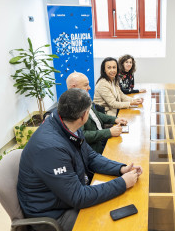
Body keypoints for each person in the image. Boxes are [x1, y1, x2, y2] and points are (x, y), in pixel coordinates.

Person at [17, 88, 143, 231]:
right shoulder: (51, 149)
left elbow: (90, 156)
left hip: (65, 197)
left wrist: (120, 169)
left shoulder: (67, 123)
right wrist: (122, 183)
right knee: (110, 224)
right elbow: (78, 197)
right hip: (53, 213)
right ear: (84, 115)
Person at [66, 72, 127, 154]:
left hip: (101, 137)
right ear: (74, 87)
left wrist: (115, 119)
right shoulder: (71, 107)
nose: (89, 88)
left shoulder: (82, 98)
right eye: (85, 85)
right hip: (93, 149)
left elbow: (96, 115)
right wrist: (109, 132)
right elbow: (82, 135)